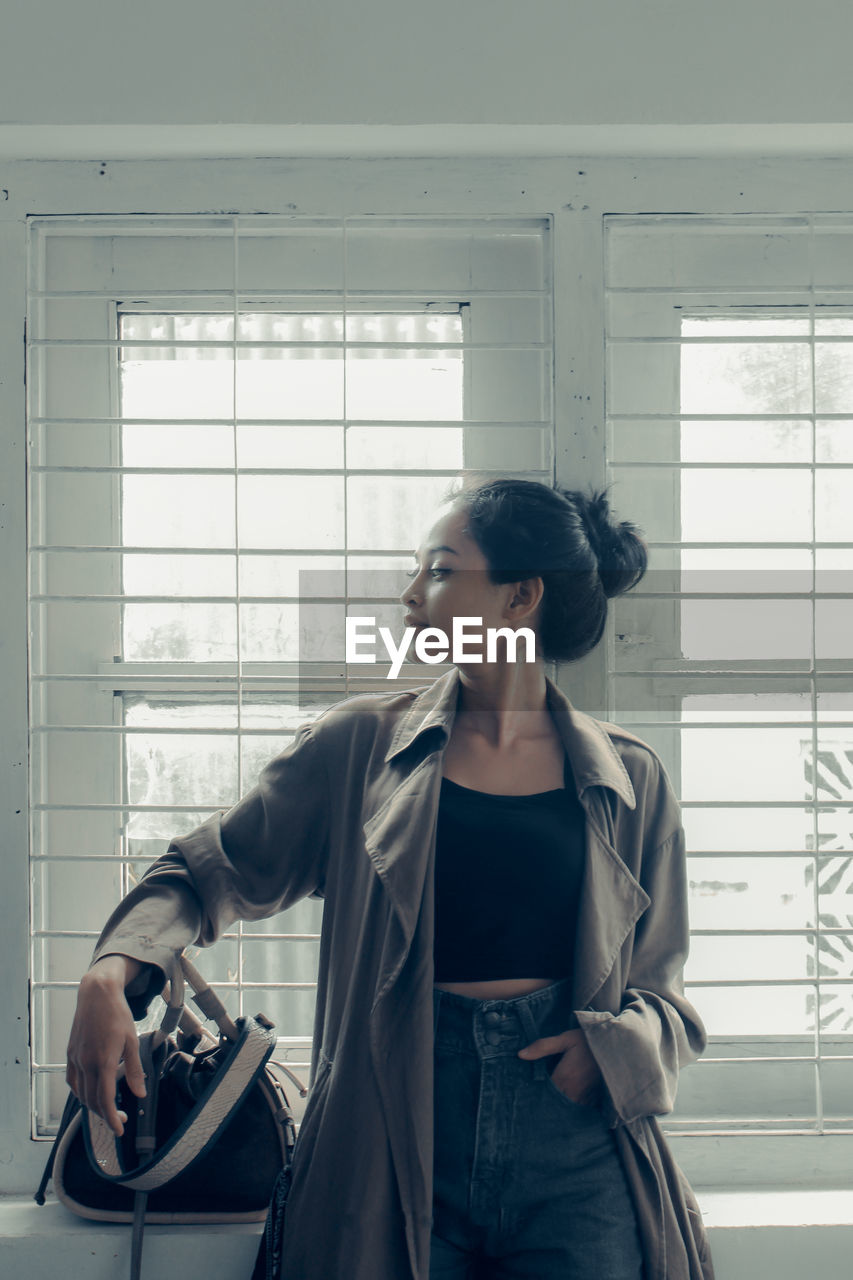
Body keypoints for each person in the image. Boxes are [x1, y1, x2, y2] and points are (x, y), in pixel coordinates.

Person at [66, 477, 714, 1280]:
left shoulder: (630, 778)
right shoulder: (357, 749)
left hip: (576, 1145)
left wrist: (610, 1051)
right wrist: (110, 972)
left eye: (440, 570)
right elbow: (207, 873)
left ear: (520, 598)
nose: (410, 596)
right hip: (387, 1129)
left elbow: (663, 995)